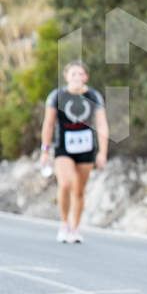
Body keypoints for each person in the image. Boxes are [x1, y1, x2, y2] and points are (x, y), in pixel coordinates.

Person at [40, 60, 109, 243]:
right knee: (66, 184)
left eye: (80, 74)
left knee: (79, 190)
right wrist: (45, 150)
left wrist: (102, 152)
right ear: (66, 76)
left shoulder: (94, 96)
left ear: (86, 77)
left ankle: (75, 228)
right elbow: (48, 124)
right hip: (63, 147)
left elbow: (102, 124)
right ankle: (64, 223)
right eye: (73, 74)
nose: (77, 77)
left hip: (86, 148)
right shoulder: (57, 96)